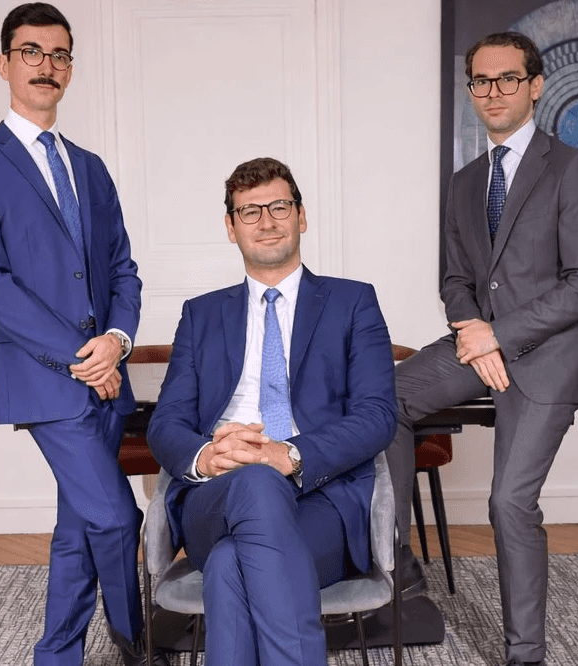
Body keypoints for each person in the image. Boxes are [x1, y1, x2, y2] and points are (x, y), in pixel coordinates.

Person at [0, 4, 166, 665]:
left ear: (71, 67)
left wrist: (119, 342)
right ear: (4, 63)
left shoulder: (91, 167)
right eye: (33, 51)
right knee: (117, 516)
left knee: (78, 528)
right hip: (46, 378)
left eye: (60, 54)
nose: (48, 65)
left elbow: (122, 268)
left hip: (107, 375)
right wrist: (82, 357)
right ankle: (137, 646)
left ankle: (57, 654)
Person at [386, 32, 578, 666]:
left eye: (508, 79)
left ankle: (525, 653)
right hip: (477, 344)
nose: (493, 92)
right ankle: (398, 564)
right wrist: (470, 328)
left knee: (508, 500)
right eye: (481, 81)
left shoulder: (573, 168)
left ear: (535, 86)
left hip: (549, 354)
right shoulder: (464, 182)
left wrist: (497, 335)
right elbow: (456, 280)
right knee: (385, 396)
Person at [146, 157, 397, 666]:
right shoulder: (202, 314)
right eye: (249, 211)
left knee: (229, 565)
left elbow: (377, 415)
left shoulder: (353, 303)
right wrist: (209, 457)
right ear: (231, 227)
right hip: (217, 496)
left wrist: (291, 455)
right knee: (254, 485)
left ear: (301, 216)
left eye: (279, 206)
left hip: (322, 498)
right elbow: (165, 423)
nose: (266, 221)